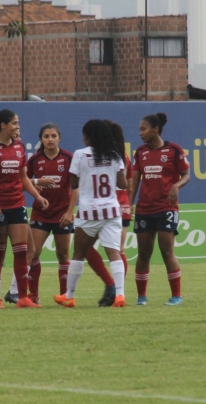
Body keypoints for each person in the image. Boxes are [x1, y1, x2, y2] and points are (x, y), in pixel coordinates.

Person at [54, 120, 127, 308]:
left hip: (89, 211)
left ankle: (69, 296)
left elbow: (74, 183)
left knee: (78, 253)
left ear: (88, 137)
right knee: (114, 252)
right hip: (111, 210)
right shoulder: (115, 155)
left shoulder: (80, 154)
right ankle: (120, 295)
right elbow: (122, 184)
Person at [0, 109, 48, 309]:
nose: (17, 127)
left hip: (17, 204)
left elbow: (23, 178)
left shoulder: (20, 147)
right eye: (14, 123)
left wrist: (37, 196)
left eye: (18, 123)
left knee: (21, 252)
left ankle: (22, 298)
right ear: (3, 125)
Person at [130, 112, 190, 306]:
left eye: (143, 129)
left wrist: (176, 186)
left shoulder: (174, 150)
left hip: (167, 207)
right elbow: (135, 181)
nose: (140, 133)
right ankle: (141, 297)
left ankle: (176, 296)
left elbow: (186, 175)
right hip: (145, 208)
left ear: (155, 129)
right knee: (144, 253)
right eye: (139, 129)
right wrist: (129, 204)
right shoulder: (140, 152)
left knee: (166, 251)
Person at [84, 121, 133, 306]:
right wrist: (129, 205)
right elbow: (129, 184)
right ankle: (115, 290)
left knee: (87, 248)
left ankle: (112, 287)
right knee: (117, 251)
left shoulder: (105, 157)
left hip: (107, 207)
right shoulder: (123, 157)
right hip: (121, 207)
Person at [25, 123, 73, 301]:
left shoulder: (68, 158)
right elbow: (23, 181)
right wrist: (37, 182)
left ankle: (64, 295)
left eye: (53, 136)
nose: (50, 139)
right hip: (41, 213)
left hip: (62, 213)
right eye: (46, 136)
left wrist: (70, 212)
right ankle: (33, 295)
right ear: (41, 139)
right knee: (34, 252)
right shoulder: (34, 160)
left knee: (62, 255)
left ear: (59, 137)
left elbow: (76, 187)